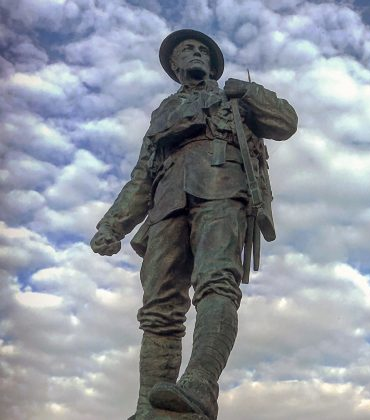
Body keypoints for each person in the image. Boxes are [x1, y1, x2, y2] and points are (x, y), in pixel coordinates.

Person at [90, 29, 297, 419]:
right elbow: (142, 175)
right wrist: (113, 225)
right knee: (159, 307)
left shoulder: (234, 96)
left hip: (222, 186)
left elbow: (286, 122)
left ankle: (200, 383)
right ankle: (149, 404)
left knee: (217, 281)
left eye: (202, 49)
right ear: (174, 65)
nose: (195, 53)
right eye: (187, 50)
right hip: (167, 204)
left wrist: (249, 93)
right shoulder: (163, 112)